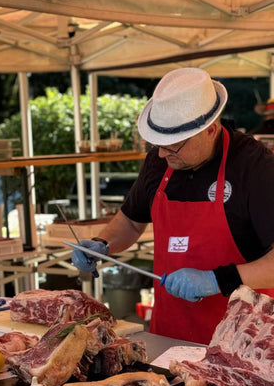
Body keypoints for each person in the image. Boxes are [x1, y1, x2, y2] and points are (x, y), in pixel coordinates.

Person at [71, 67, 274, 345]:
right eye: (158, 144)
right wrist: (102, 243)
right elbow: (131, 221)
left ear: (211, 130)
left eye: (173, 147)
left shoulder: (256, 166)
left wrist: (217, 280)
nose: (163, 154)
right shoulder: (160, 159)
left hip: (243, 344)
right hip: (169, 336)